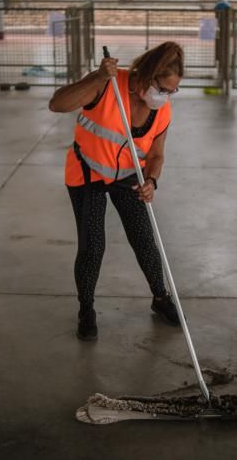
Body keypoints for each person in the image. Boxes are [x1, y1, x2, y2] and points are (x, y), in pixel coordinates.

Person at [49, 42, 184, 341]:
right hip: (88, 173)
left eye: (173, 91)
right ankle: (86, 309)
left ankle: (159, 297)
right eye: (163, 88)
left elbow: (157, 154)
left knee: (144, 240)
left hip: (129, 176)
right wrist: (97, 77)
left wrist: (152, 181)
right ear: (146, 77)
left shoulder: (161, 110)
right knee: (93, 246)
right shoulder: (108, 84)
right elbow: (57, 104)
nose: (166, 96)